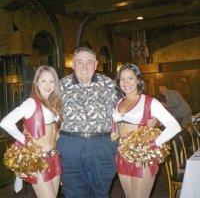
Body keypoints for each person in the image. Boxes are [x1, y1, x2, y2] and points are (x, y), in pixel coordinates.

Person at [58, 47, 157, 198]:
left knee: (101, 191)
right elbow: (41, 108)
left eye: (89, 62)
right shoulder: (59, 86)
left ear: (96, 64)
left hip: (102, 144)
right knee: (73, 192)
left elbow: (133, 103)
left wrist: (152, 118)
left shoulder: (110, 85)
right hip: (71, 144)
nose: (84, 67)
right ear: (73, 65)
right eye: (80, 62)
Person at [112, 64, 181, 198]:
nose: (126, 83)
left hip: (141, 157)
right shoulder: (118, 102)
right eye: (122, 79)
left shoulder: (150, 102)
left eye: (130, 78)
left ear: (138, 80)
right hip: (121, 156)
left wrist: (153, 144)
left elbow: (174, 126)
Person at [0, 66, 62, 198]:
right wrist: (24, 140)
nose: (48, 85)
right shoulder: (31, 103)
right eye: (44, 81)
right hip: (38, 160)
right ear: (37, 82)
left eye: (52, 81)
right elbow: (5, 122)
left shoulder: (52, 102)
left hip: (54, 157)